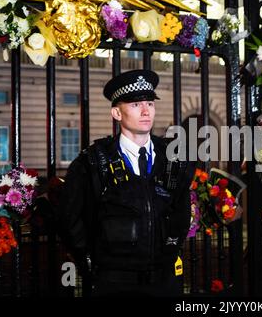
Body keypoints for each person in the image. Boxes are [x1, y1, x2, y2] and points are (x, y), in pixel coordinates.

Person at [58, 69, 194, 296]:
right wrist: (93, 262)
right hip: (114, 284)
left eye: (149, 103)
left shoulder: (173, 157)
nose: (145, 111)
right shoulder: (92, 161)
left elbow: (180, 213)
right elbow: (70, 219)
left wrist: (169, 254)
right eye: (134, 104)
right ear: (117, 113)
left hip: (165, 282)